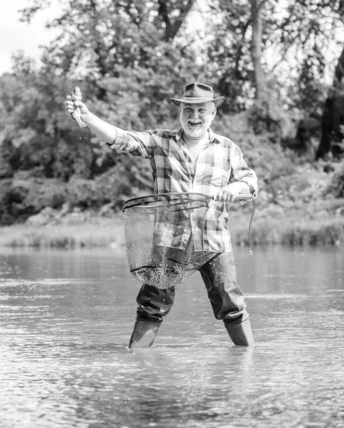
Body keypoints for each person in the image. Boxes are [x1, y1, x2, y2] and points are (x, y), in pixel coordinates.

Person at [64, 82, 258, 348]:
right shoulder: (160, 142)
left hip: (213, 241)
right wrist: (87, 117)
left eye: (202, 110)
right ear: (180, 111)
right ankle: (138, 357)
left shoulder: (227, 148)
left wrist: (233, 189)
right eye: (188, 109)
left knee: (231, 303)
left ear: (213, 113)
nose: (195, 116)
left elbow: (250, 183)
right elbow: (121, 139)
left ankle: (246, 360)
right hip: (170, 242)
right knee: (152, 303)